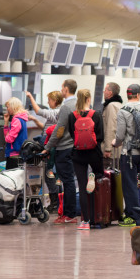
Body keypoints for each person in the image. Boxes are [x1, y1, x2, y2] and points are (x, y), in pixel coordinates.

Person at [112, 84, 140, 227]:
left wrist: (115, 142)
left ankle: (133, 216)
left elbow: (120, 135)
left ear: (127, 94)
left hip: (128, 153)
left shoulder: (123, 110)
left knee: (130, 185)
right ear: (138, 94)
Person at [43, 79, 79, 225]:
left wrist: (47, 147)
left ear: (65, 89)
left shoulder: (66, 107)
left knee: (67, 181)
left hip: (64, 148)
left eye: (62, 87)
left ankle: (69, 215)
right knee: (71, 180)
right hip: (75, 147)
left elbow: (59, 129)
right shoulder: (79, 103)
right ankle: (70, 213)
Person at [67, 89, 104, 231]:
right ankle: (97, 218)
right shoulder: (96, 115)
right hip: (94, 153)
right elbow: (100, 136)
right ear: (89, 99)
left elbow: (72, 135)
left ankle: (85, 221)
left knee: (82, 187)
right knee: (98, 183)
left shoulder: (73, 116)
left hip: (78, 154)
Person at [3, 97, 29, 169]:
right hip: (18, 154)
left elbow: (9, 139)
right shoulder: (21, 119)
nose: (7, 109)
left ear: (13, 106)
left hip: (14, 154)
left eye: (8, 107)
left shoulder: (16, 120)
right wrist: (6, 123)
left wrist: (7, 136)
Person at [102, 82, 123, 165]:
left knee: (108, 176)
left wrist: (107, 149)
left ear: (110, 92)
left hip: (111, 152)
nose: (103, 92)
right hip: (118, 149)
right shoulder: (120, 105)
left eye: (105, 90)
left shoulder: (111, 106)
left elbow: (111, 127)